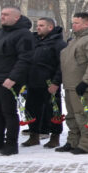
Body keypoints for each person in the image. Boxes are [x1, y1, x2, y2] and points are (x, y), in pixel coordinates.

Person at [0, 7, 35, 156]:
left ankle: (11, 144)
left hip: (8, 81)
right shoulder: (0, 32)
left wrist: (13, 78)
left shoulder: (24, 35)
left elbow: (25, 59)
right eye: (1, 14)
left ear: (16, 17)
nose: (2, 16)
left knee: (8, 112)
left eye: (6, 14)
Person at [58, 12, 88, 154]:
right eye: (73, 23)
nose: (73, 25)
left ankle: (86, 144)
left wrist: (85, 82)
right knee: (72, 116)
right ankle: (73, 141)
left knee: (84, 115)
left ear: (86, 24)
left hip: (83, 86)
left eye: (76, 23)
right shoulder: (75, 40)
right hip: (70, 84)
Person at [22, 17, 66, 149]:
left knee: (53, 111)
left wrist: (56, 82)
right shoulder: (34, 41)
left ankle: (55, 137)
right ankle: (34, 135)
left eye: (41, 25)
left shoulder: (59, 44)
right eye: (37, 25)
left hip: (49, 83)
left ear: (50, 27)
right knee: (31, 109)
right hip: (33, 82)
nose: (38, 27)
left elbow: (62, 65)